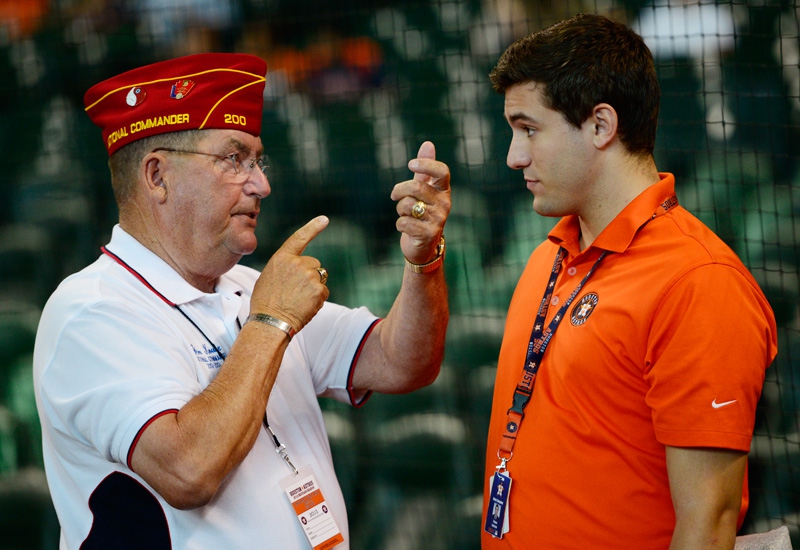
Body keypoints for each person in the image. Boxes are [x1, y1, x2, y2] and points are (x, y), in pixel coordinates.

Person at [33, 52, 451, 549]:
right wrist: (272, 321)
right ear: (157, 176)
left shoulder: (247, 287)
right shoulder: (90, 310)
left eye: (257, 160)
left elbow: (403, 362)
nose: (261, 184)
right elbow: (188, 471)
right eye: (234, 160)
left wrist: (423, 261)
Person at [481, 13, 777, 550]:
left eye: (529, 129)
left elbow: (708, 525)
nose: (514, 156)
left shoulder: (698, 282)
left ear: (600, 125)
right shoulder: (547, 258)